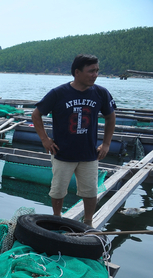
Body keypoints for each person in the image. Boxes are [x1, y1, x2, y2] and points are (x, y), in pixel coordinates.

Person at [31, 54, 116, 227]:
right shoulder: (58, 93)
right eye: (91, 71)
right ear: (77, 72)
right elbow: (36, 114)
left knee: (91, 190)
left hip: (89, 153)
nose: (95, 75)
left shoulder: (101, 93)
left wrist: (106, 143)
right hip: (62, 152)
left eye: (97, 71)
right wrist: (45, 139)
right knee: (58, 190)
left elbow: (110, 116)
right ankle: (57, 219)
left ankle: (88, 222)